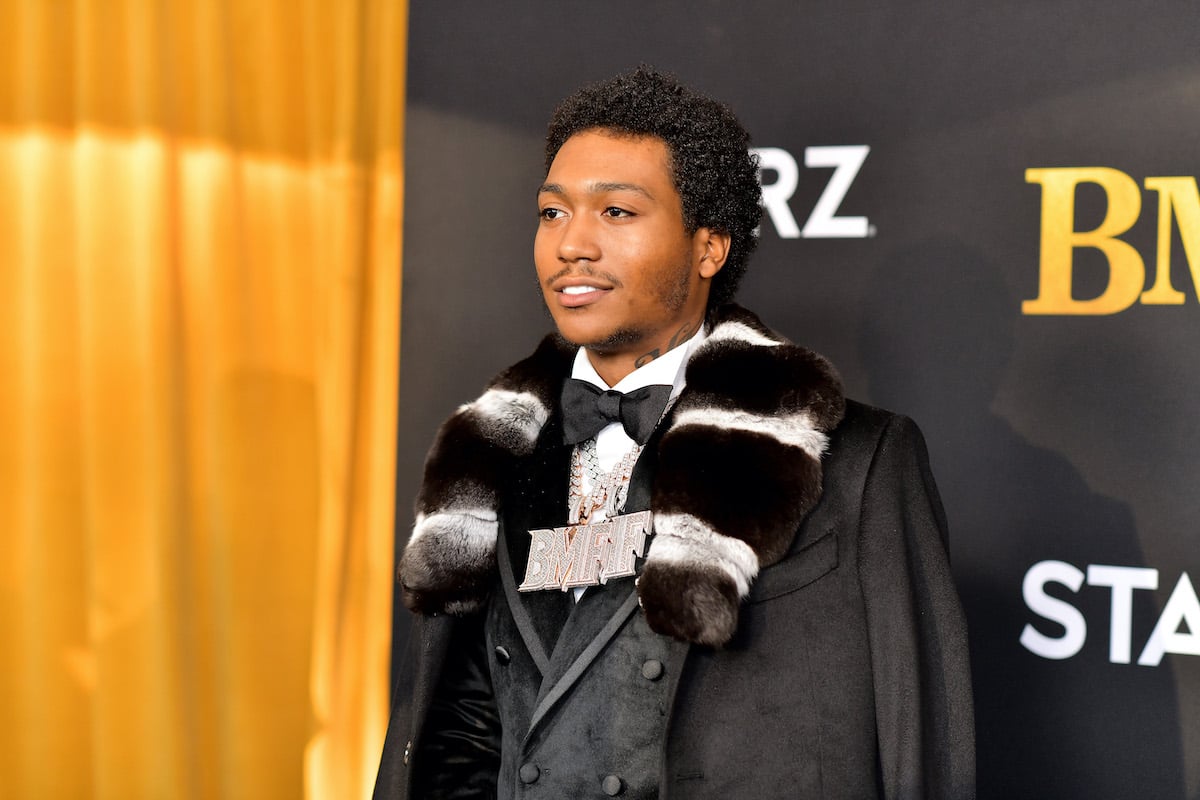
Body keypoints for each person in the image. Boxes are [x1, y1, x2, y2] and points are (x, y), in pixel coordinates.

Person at [374, 67, 974, 799]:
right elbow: (460, 727)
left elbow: (921, 748)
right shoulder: (490, 455)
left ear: (708, 247)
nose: (572, 246)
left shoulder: (858, 461)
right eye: (553, 213)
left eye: (617, 213)